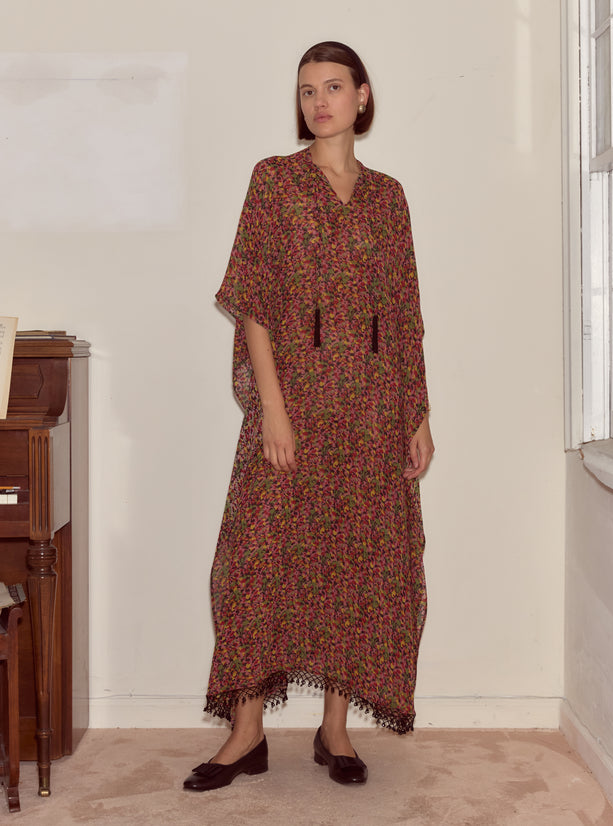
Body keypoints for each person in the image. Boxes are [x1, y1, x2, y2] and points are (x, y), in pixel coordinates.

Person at [184, 40, 434, 792]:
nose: (318, 101)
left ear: (361, 97)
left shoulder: (389, 196)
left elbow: (404, 312)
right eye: (305, 90)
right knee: (257, 562)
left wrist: (416, 412)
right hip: (296, 404)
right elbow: (255, 304)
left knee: (358, 562)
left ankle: (334, 730)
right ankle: (247, 733)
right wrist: (273, 410)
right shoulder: (276, 183)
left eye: (332, 87)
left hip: (371, 410)